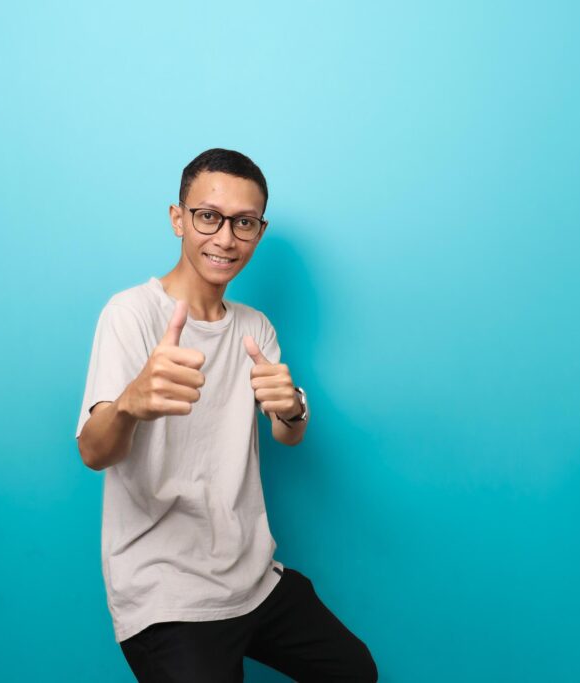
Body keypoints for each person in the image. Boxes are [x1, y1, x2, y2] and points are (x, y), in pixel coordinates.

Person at [75, 148, 378, 682]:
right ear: (178, 219)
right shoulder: (131, 314)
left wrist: (293, 407)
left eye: (244, 223)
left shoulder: (254, 328)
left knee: (354, 672)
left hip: (252, 578)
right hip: (167, 597)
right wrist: (129, 403)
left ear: (260, 231)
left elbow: (289, 436)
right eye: (208, 216)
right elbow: (94, 451)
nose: (225, 238)